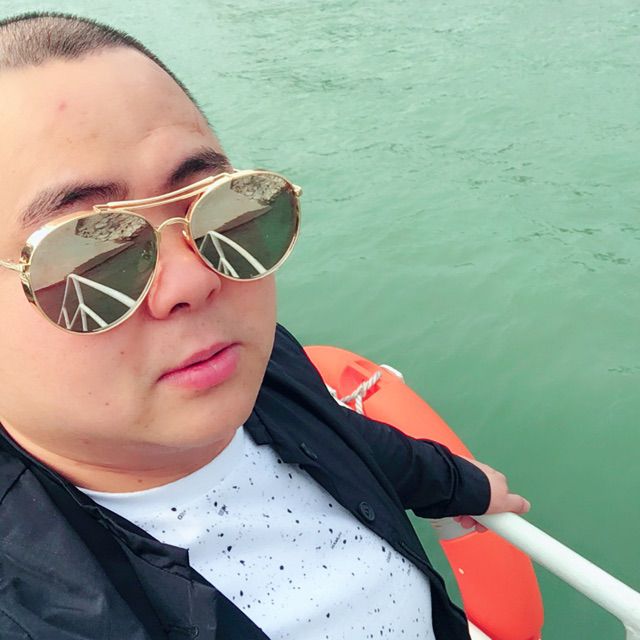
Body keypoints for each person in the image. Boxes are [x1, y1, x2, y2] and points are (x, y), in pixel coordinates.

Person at [0, 12, 530, 640]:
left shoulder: (259, 364)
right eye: (88, 258)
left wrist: (458, 482)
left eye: (220, 209)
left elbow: (339, 433)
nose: (195, 280)